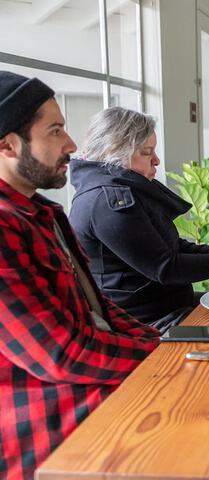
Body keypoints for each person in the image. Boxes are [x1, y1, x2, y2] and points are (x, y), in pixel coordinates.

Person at [0, 71, 160, 480]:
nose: (71, 145)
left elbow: (97, 309)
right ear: (7, 146)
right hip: (56, 429)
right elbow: (62, 355)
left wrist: (164, 346)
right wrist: (164, 365)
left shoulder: (46, 213)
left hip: (100, 390)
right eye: (55, 131)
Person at [69, 107, 209, 330]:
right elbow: (166, 268)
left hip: (168, 305)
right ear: (115, 151)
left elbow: (168, 247)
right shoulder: (108, 202)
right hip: (148, 322)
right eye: (146, 152)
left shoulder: (118, 190)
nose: (157, 160)